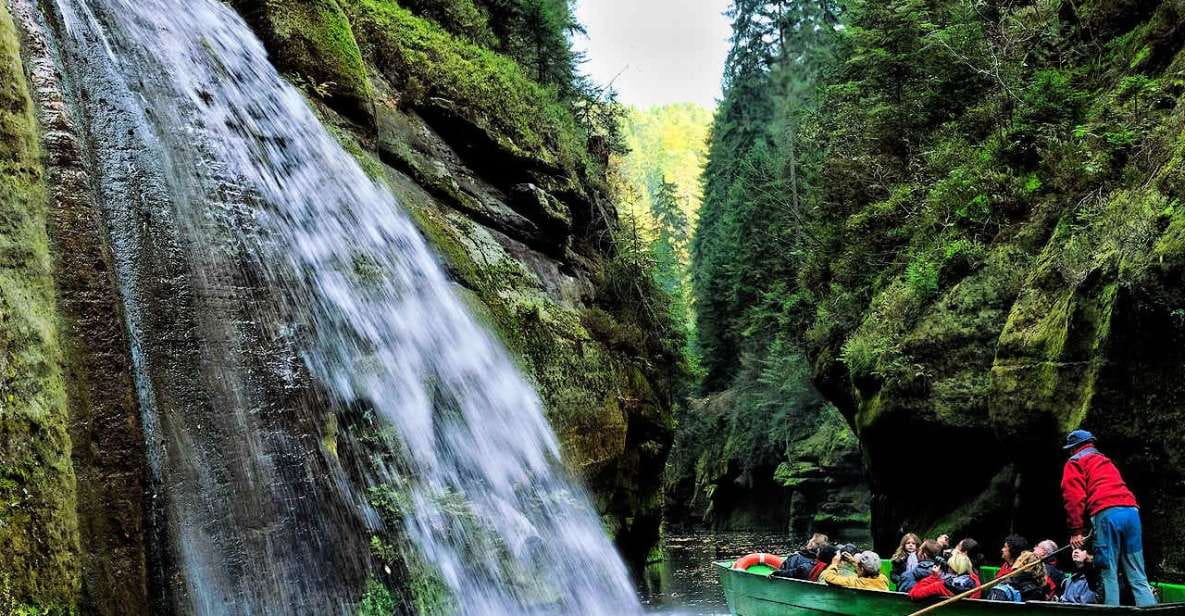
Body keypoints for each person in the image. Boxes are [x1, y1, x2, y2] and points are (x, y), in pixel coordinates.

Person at [1061, 429, 1157, 606]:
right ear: (1091, 444)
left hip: (1107, 514)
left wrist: (1076, 530)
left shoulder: (1074, 462)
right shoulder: (1105, 461)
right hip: (1131, 512)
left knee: (1108, 572)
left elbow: (1073, 498)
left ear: (1073, 448)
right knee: (1137, 574)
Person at [907, 552, 982, 601]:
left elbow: (914, 594)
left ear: (950, 569)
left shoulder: (940, 586)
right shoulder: (976, 582)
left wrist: (933, 577)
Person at [820, 550, 890, 591]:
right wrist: (853, 562)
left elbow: (829, 577)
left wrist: (834, 563)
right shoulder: (883, 579)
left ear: (862, 569)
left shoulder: (856, 583)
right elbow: (867, 571)